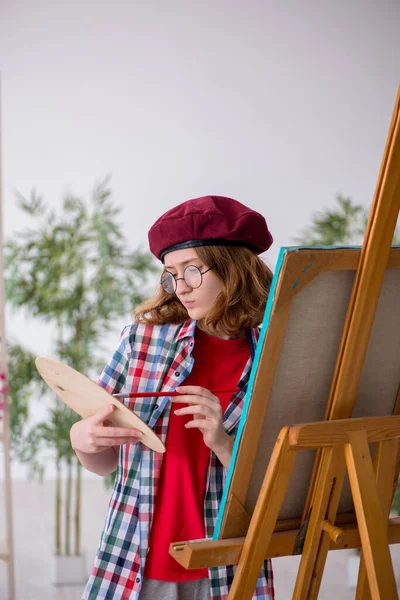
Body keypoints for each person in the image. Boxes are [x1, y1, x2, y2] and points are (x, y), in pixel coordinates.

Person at [71, 195, 275, 600]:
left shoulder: (272, 356)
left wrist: (222, 441)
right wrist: (83, 440)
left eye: (193, 271)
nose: (179, 287)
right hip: (134, 561)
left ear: (234, 270)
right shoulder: (141, 342)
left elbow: (274, 487)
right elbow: (104, 460)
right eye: (170, 274)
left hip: (226, 564)